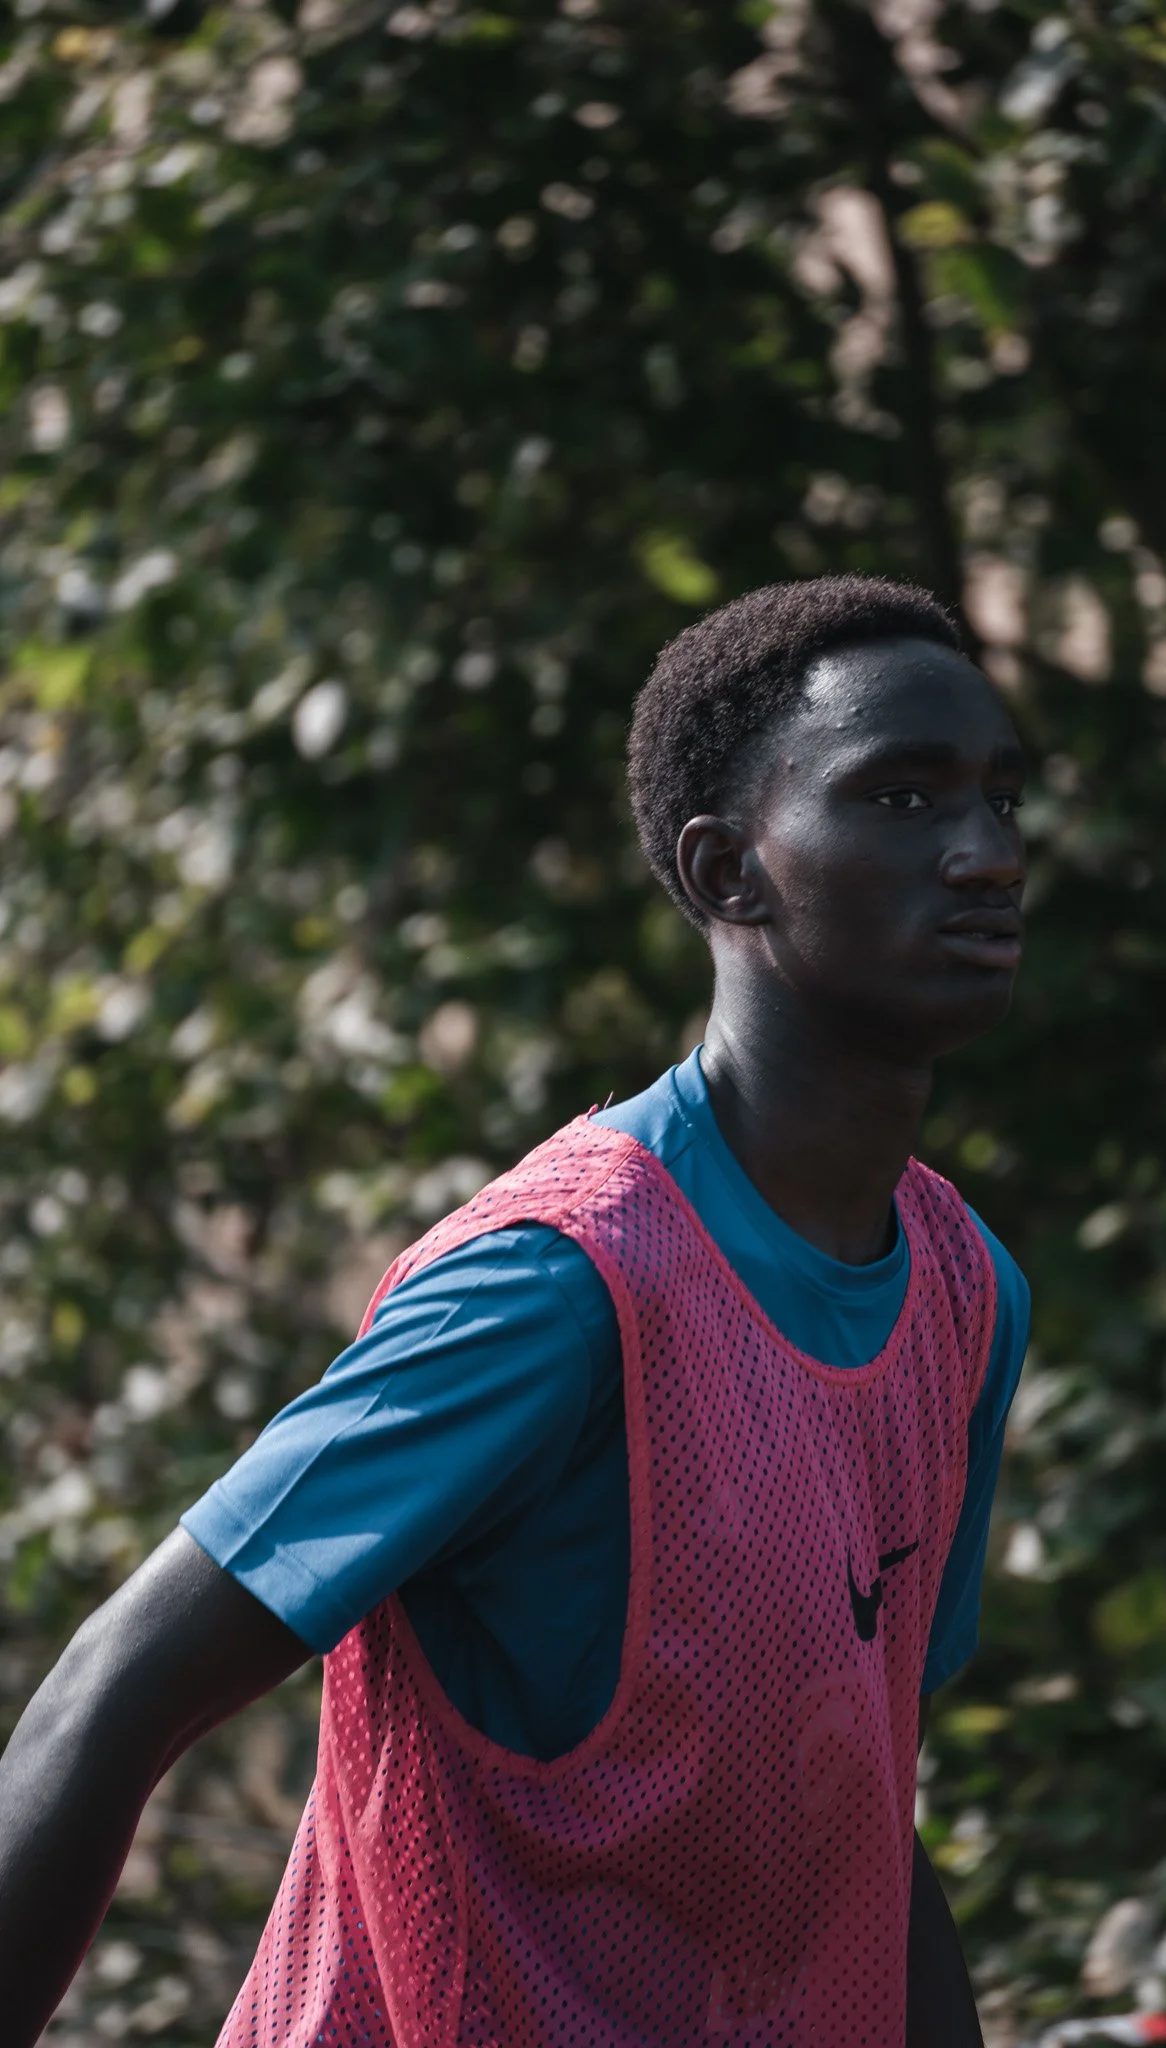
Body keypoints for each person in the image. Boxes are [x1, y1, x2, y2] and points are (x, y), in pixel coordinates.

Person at [0, 573, 1031, 2047]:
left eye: (1001, 799)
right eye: (908, 799)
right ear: (728, 871)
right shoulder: (558, 1283)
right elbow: (110, 1692)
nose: (986, 855)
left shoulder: (965, 1289)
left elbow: (865, 1818)